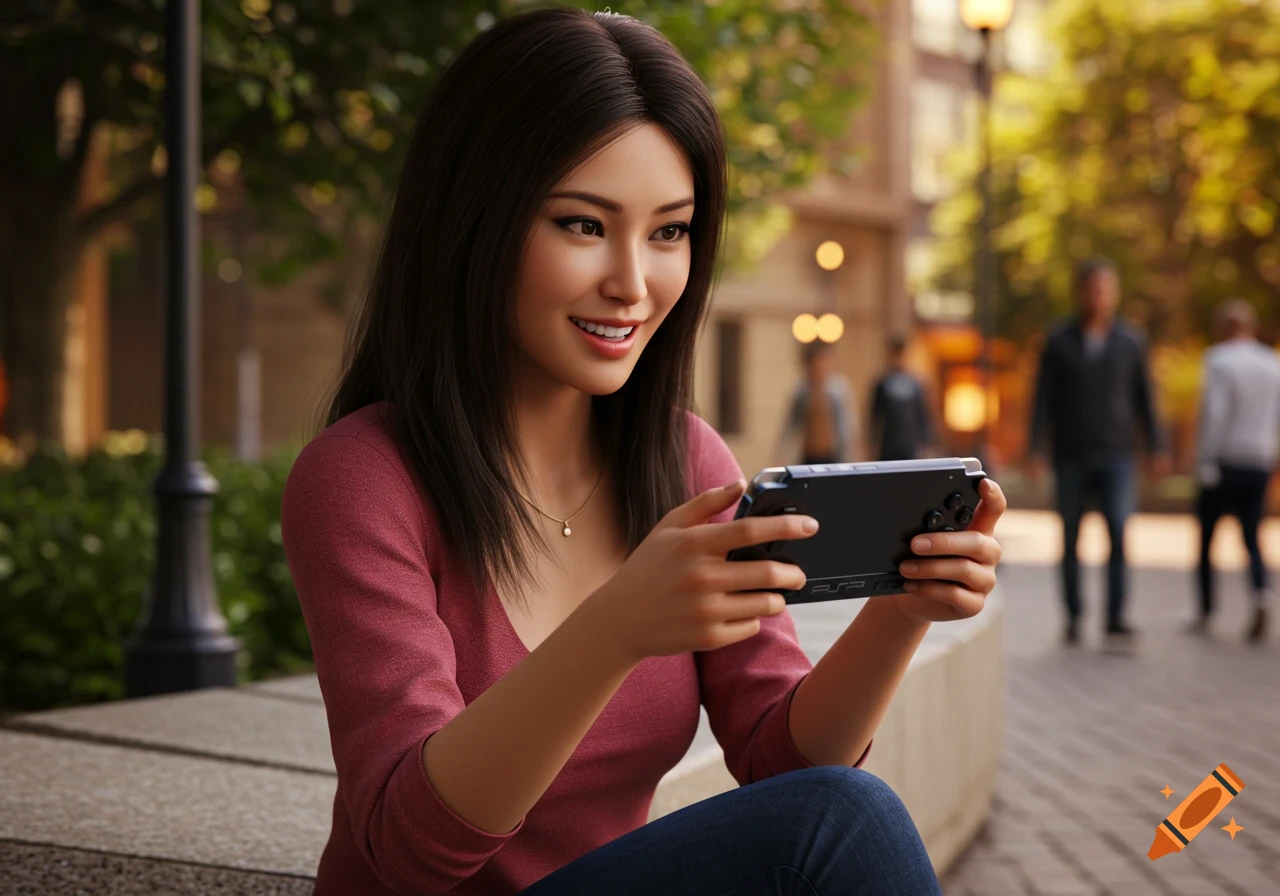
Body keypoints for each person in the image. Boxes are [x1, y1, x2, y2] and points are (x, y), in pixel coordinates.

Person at [280, 9, 1006, 896]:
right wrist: (615, 629)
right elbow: (409, 848)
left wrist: (901, 608)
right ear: (474, 220)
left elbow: (785, 765)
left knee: (839, 809)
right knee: (845, 821)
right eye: (584, 225)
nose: (634, 282)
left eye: (669, 231)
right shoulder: (361, 478)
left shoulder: (683, 461)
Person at [1028, 258, 1168, 645]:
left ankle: (1116, 616)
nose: (1099, 296)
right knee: (1071, 536)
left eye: (1105, 289)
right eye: (1092, 289)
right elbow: (1042, 398)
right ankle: (1073, 615)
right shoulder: (1058, 340)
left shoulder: (1131, 341)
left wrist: (1156, 445)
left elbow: (1145, 398)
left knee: (1119, 533)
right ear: (1080, 292)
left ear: (1114, 294)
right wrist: (1036, 448)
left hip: (1118, 455)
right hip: (1070, 455)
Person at [1192, 299, 1280, 643]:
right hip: (1259, 460)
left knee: (1207, 539)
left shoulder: (1218, 360)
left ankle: (1205, 609)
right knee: (1252, 535)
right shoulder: (1271, 363)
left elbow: (1215, 415)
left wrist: (1205, 461)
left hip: (1226, 460)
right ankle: (1261, 591)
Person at [775, 339, 857, 465]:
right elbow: (790, 426)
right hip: (809, 455)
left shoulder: (838, 389)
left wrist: (850, 456)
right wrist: (781, 454)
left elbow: (848, 425)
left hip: (832, 455)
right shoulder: (801, 391)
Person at [869, 335, 934, 461]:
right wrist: (873, 445)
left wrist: (925, 443)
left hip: (910, 446)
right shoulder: (883, 383)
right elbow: (875, 417)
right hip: (888, 446)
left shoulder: (915, 384)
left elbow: (922, 416)